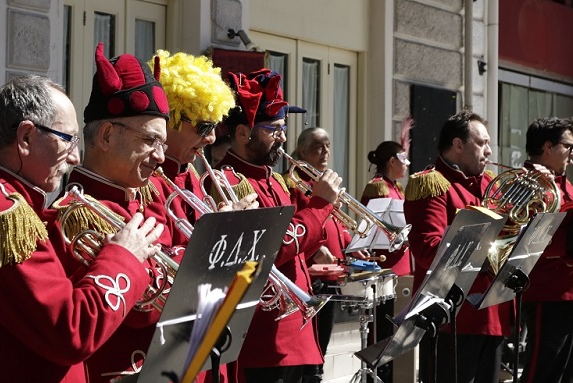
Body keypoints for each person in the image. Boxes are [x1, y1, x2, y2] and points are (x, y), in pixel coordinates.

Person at [0, 75, 164, 382]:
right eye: (67, 139)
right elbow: (71, 330)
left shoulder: (14, 205)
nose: (75, 157)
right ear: (25, 138)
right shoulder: (0, 213)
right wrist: (124, 257)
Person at [55, 43, 177, 383]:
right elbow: (143, 310)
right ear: (107, 135)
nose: (161, 156)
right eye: (151, 140)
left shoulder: (135, 199)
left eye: (163, 144)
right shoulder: (75, 212)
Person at [215, 69, 343, 383]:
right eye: (274, 129)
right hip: (267, 344)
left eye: (283, 129)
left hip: (300, 337)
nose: (283, 138)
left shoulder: (275, 181)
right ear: (244, 133)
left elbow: (299, 249)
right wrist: (319, 207)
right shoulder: (226, 181)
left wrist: (324, 218)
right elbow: (269, 249)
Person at [147, 50, 259, 383]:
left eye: (214, 127)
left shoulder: (193, 176)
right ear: (171, 121)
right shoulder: (146, 182)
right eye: (203, 126)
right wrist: (218, 234)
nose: (211, 139)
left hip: (209, 331)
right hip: (171, 350)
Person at [403, 109, 511, 383]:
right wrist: (485, 255)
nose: (488, 151)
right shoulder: (431, 184)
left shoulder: (491, 186)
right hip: (453, 318)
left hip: (492, 312)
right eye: (482, 143)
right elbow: (428, 249)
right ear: (458, 144)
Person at [519, 117, 573, 383]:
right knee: (542, 372)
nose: (571, 156)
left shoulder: (563, 182)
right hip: (546, 289)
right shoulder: (524, 181)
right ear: (548, 147)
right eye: (568, 147)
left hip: (567, 289)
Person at [360, 135, 413, 383]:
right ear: (392, 161)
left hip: (400, 268)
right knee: (382, 330)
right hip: (386, 265)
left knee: (395, 331)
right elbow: (371, 228)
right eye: (403, 158)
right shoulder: (378, 186)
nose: (408, 162)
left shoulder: (397, 187)